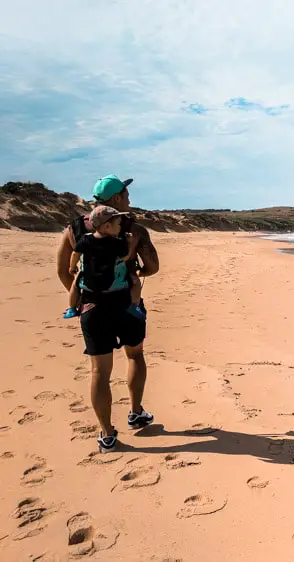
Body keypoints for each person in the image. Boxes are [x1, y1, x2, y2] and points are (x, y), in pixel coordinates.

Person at [56, 175, 160, 452]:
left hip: (92, 308)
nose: (128, 198)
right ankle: (136, 413)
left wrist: (82, 299)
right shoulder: (132, 229)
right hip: (128, 306)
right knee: (135, 355)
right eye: (125, 194)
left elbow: (63, 270)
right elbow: (152, 267)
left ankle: (107, 435)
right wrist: (135, 272)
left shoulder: (74, 229)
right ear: (115, 199)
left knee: (99, 372)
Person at [66, 205, 144, 320]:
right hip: (110, 281)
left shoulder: (85, 239)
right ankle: (133, 306)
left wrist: (72, 267)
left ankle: (72, 309)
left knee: (75, 285)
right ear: (107, 226)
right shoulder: (116, 243)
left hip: (89, 282)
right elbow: (126, 257)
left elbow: (75, 254)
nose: (120, 227)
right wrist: (130, 243)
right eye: (118, 224)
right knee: (136, 282)